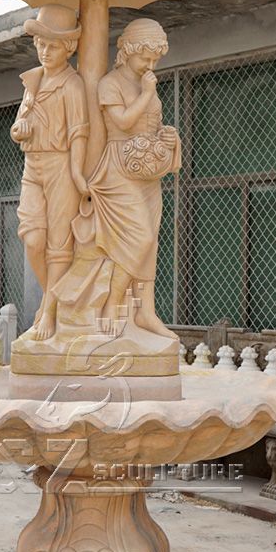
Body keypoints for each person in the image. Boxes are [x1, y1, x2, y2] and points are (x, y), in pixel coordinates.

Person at [90, 18, 181, 339]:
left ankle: (145, 311)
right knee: (138, 237)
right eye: (145, 58)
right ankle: (113, 303)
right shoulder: (110, 84)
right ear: (127, 51)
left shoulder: (147, 83)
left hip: (146, 170)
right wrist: (146, 93)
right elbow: (125, 122)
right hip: (118, 168)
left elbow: (150, 126)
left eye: (155, 60)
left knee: (150, 241)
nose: (151, 65)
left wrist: (169, 139)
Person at [10, 4, 89, 341]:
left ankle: (51, 311)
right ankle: (53, 300)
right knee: (32, 238)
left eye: (53, 45)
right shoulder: (33, 82)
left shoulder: (72, 85)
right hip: (33, 166)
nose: (45, 51)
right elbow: (16, 127)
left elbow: (79, 132)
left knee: (59, 245)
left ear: (69, 47)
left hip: (59, 165)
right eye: (41, 44)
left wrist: (76, 171)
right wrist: (21, 129)